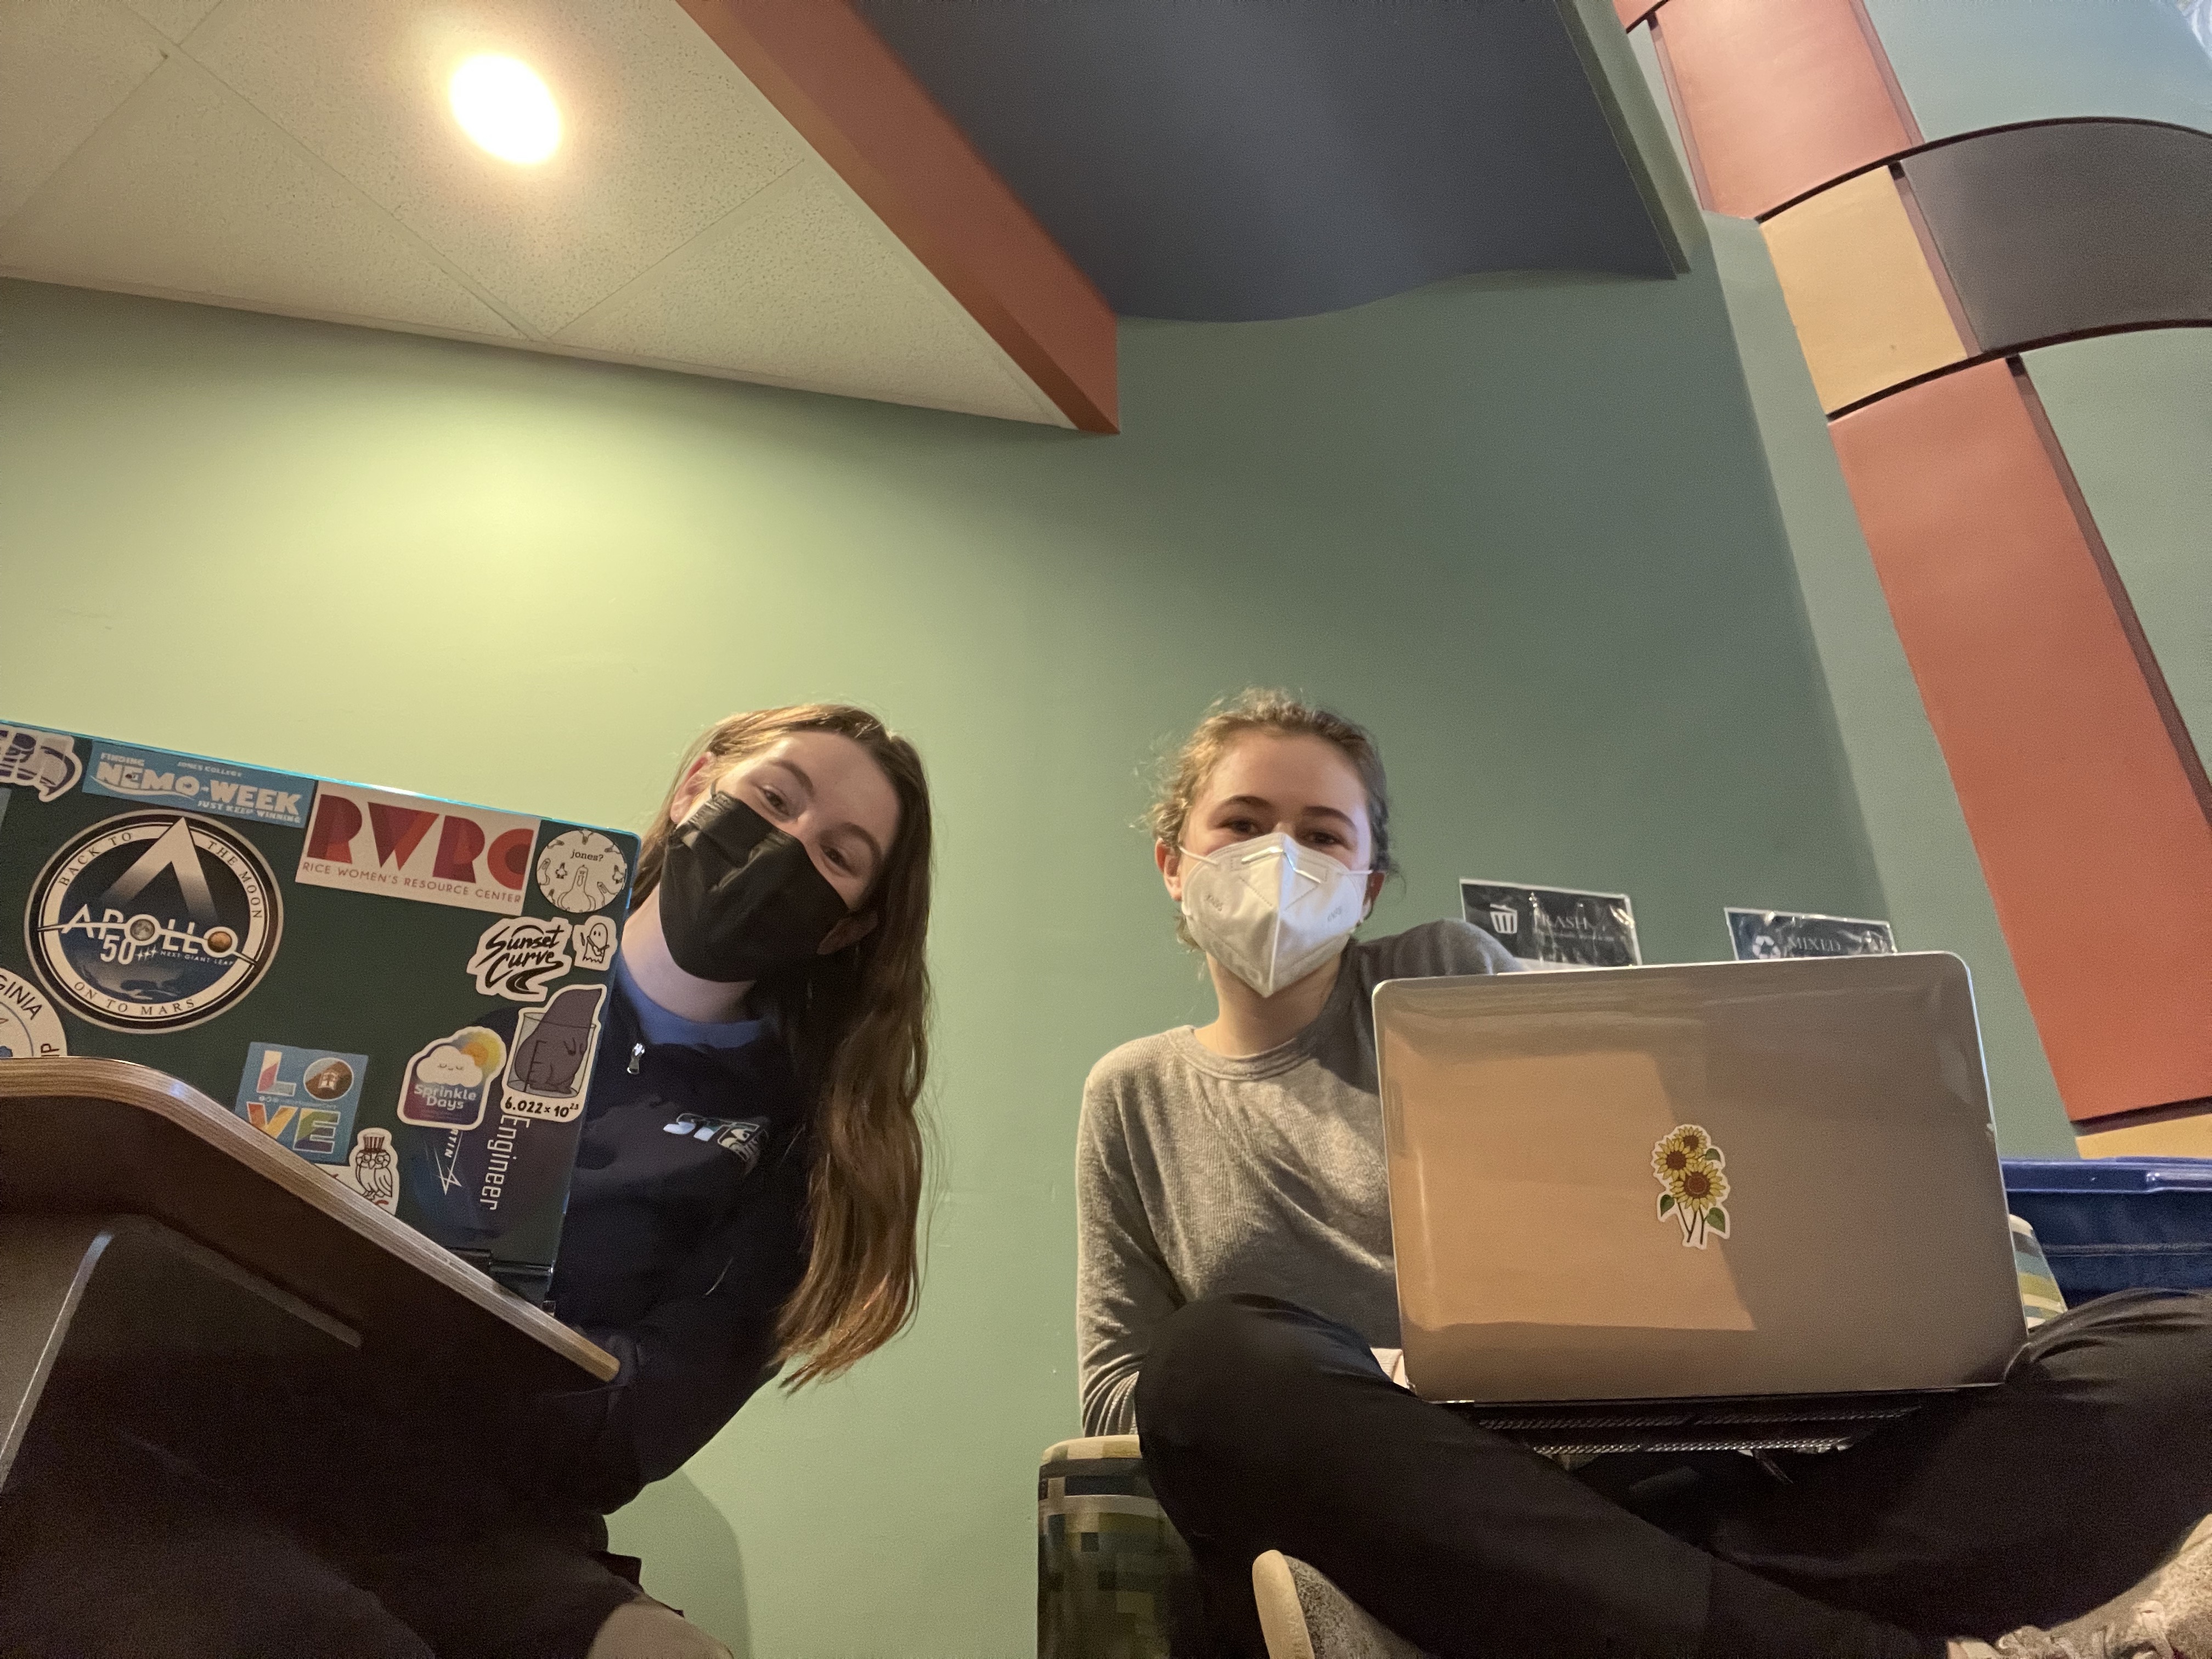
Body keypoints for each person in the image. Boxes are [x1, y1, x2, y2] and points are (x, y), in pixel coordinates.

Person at [1077, 689, 2212, 1659]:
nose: (1280, 859)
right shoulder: (1135, 1093)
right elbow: (1123, 1395)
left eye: (1324, 835)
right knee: (1211, 1368)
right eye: (1243, 824)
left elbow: (1626, 1196)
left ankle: (1533, 1618)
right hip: (1396, 1500)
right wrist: (1387, 1377)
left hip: (1617, 1478)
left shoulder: (1441, 979)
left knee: (2181, 1349)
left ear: (1369, 885)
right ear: (1175, 862)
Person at [0, 703, 934, 1659]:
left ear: (846, 929)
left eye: (838, 855)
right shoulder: (433, 965)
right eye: (774, 798)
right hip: (202, 1434)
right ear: (698, 785)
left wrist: (392, 1312)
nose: (786, 847)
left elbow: (632, 1433)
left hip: (475, 1513)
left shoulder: (809, 1148)